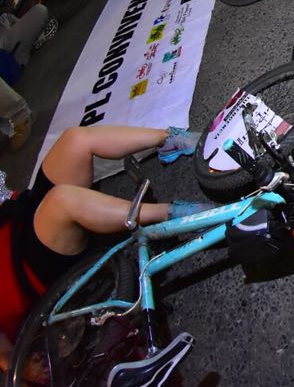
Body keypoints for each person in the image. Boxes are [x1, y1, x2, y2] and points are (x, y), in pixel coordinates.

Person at [0, 125, 212, 367]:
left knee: (75, 140)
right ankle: (171, 215)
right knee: (61, 201)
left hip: (18, 225)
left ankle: (171, 140)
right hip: (28, 278)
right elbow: (6, 357)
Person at [0, 5, 56, 151]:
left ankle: (31, 44)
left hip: (9, 46)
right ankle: (20, 116)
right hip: (8, 66)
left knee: (40, 10)